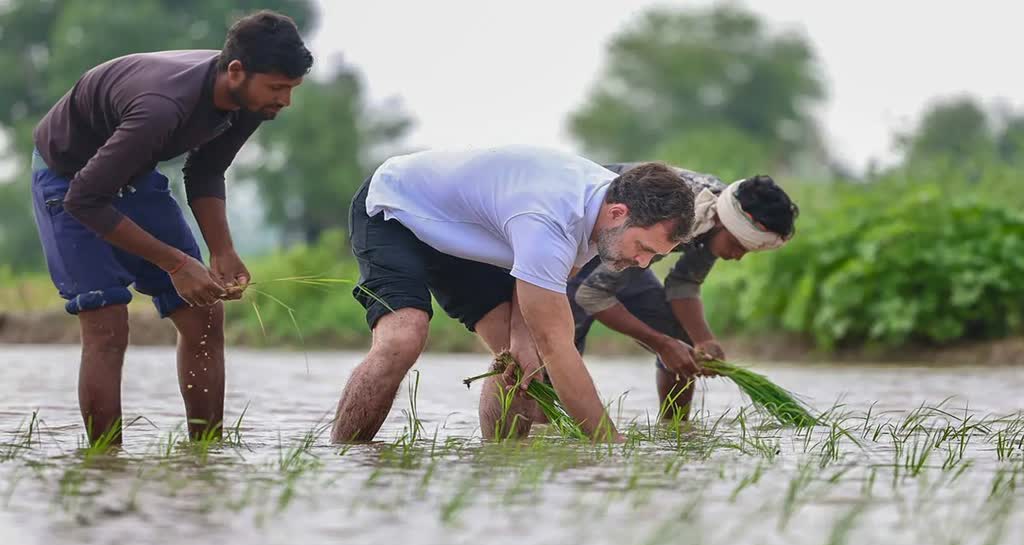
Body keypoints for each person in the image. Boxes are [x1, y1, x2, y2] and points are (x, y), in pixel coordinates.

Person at [30, 11, 313, 444]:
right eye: (277, 88)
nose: (285, 101)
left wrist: (221, 250)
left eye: (291, 89)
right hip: (67, 177)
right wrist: (176, 263)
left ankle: (206, 453)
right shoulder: (162, 107)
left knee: (204, 314)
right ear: (235, 71)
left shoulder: (251, 102)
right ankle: (105, 463)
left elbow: (205, 171)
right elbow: (84, 199)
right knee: (107, 325)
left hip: (132, 173)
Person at [331, 146, 696, 443]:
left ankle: (503, 468)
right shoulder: (550, 219)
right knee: (404, 336)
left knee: (523, 360)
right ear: (619, 213)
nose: (644, 263)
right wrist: (610, 445)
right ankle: (346, 457)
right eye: (644, 247)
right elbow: (559, 347)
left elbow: (541, 304)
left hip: (474, 236)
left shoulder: (605, 214)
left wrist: (523, 339)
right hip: (397, 212)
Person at [568, 164, 799, 421]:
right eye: (736, 245)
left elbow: (683, 283)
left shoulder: (718, 215)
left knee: (681, 340)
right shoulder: (687, 215)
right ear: (725, 224)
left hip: (633, 255)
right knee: (559, 350)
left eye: (745, 251)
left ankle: (674, 430)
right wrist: (662, 344)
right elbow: (593, 294)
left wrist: (703, 341)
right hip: (588, 241)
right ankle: (542, 430)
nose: (736, 256)